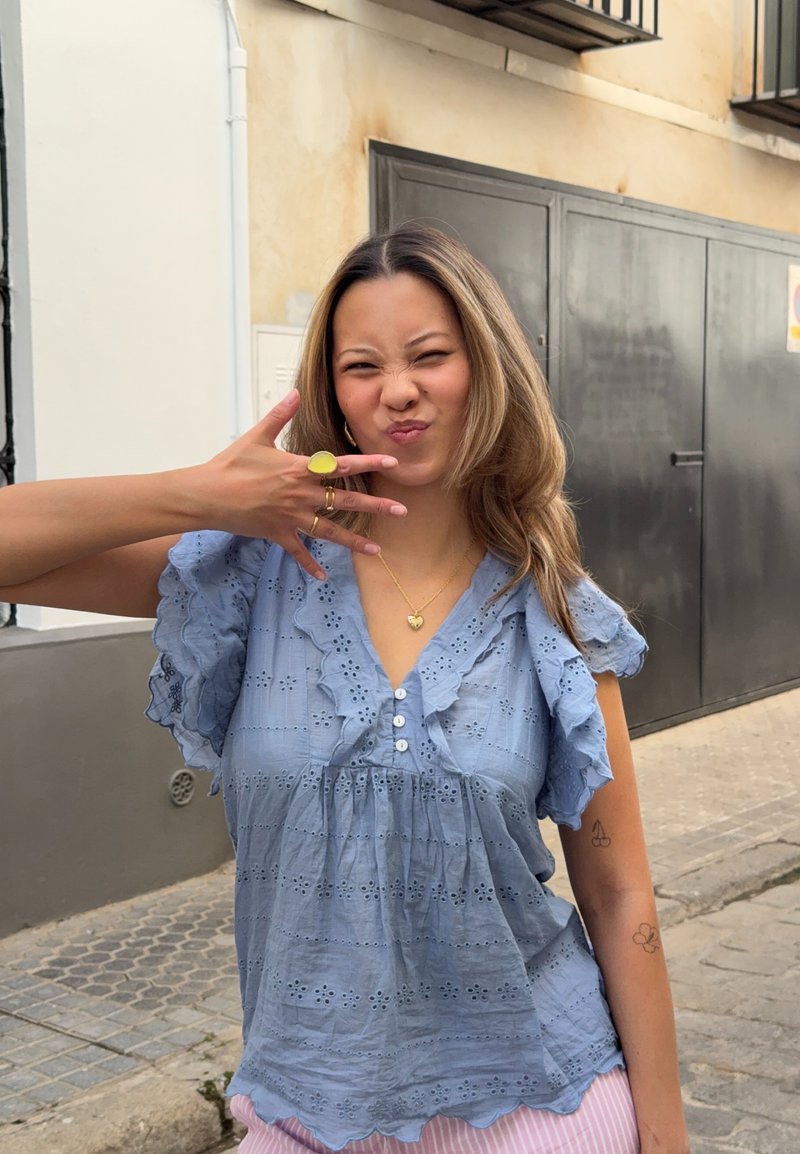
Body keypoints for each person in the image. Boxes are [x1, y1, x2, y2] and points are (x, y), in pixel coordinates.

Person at [0, 225, 690, 1154]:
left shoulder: (557, 612)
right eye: (361, 365)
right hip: (307, 1106)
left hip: (542, 1103)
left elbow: (618, 898)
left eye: (430, 356)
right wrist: (202, 494)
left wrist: (667, 1137)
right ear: (333, 395)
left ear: (485, 371)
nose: (397, 388)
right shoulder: (251, 573)